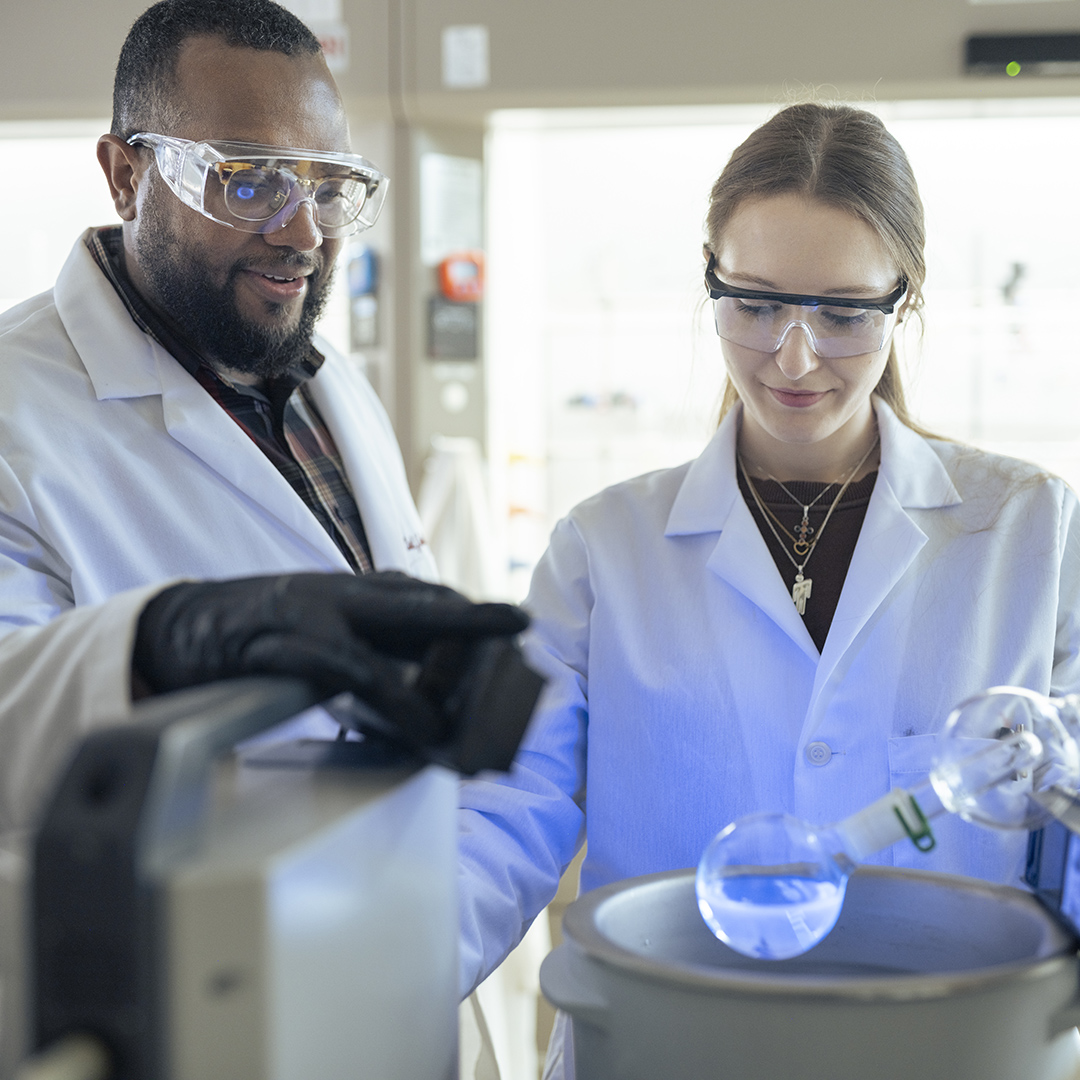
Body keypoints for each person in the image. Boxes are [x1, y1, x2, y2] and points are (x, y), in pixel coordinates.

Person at [457, 103, 1080, 1074]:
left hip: (947, 1049)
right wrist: (343, 988)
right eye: (753, 303)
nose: (793, 356)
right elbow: (499, 828)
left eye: (841, 312)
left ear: (904, 299)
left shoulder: (1029, 531)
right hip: (671, 1046)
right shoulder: (604, 551)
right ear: (710, 276)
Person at [0, 0, 531, 833]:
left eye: (325, 188)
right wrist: (170, 641)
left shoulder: (332, 387)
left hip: (389, 910)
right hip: (177, 943)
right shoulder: (14, 408)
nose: (303, 235)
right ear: (126, 176)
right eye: (249, 181)